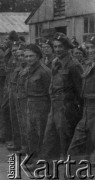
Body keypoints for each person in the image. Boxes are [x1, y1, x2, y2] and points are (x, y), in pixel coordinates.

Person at [40, 33, 83, 170]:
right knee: (49, 138)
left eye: (61, 47)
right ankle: (47, 168)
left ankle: (68, 171)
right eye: (55, 46)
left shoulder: (73, 65)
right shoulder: (55, 62)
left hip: (66, 107)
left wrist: (76, 110)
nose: (57, 49)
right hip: (54, 106)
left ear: (67, 47)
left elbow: (80, 90)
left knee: (66, 140)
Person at [68, 36, 95, 168]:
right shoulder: (89, 65)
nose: (90, 51)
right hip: (87, 110)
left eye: (93, 47)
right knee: (76, 145)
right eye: (88, 48)